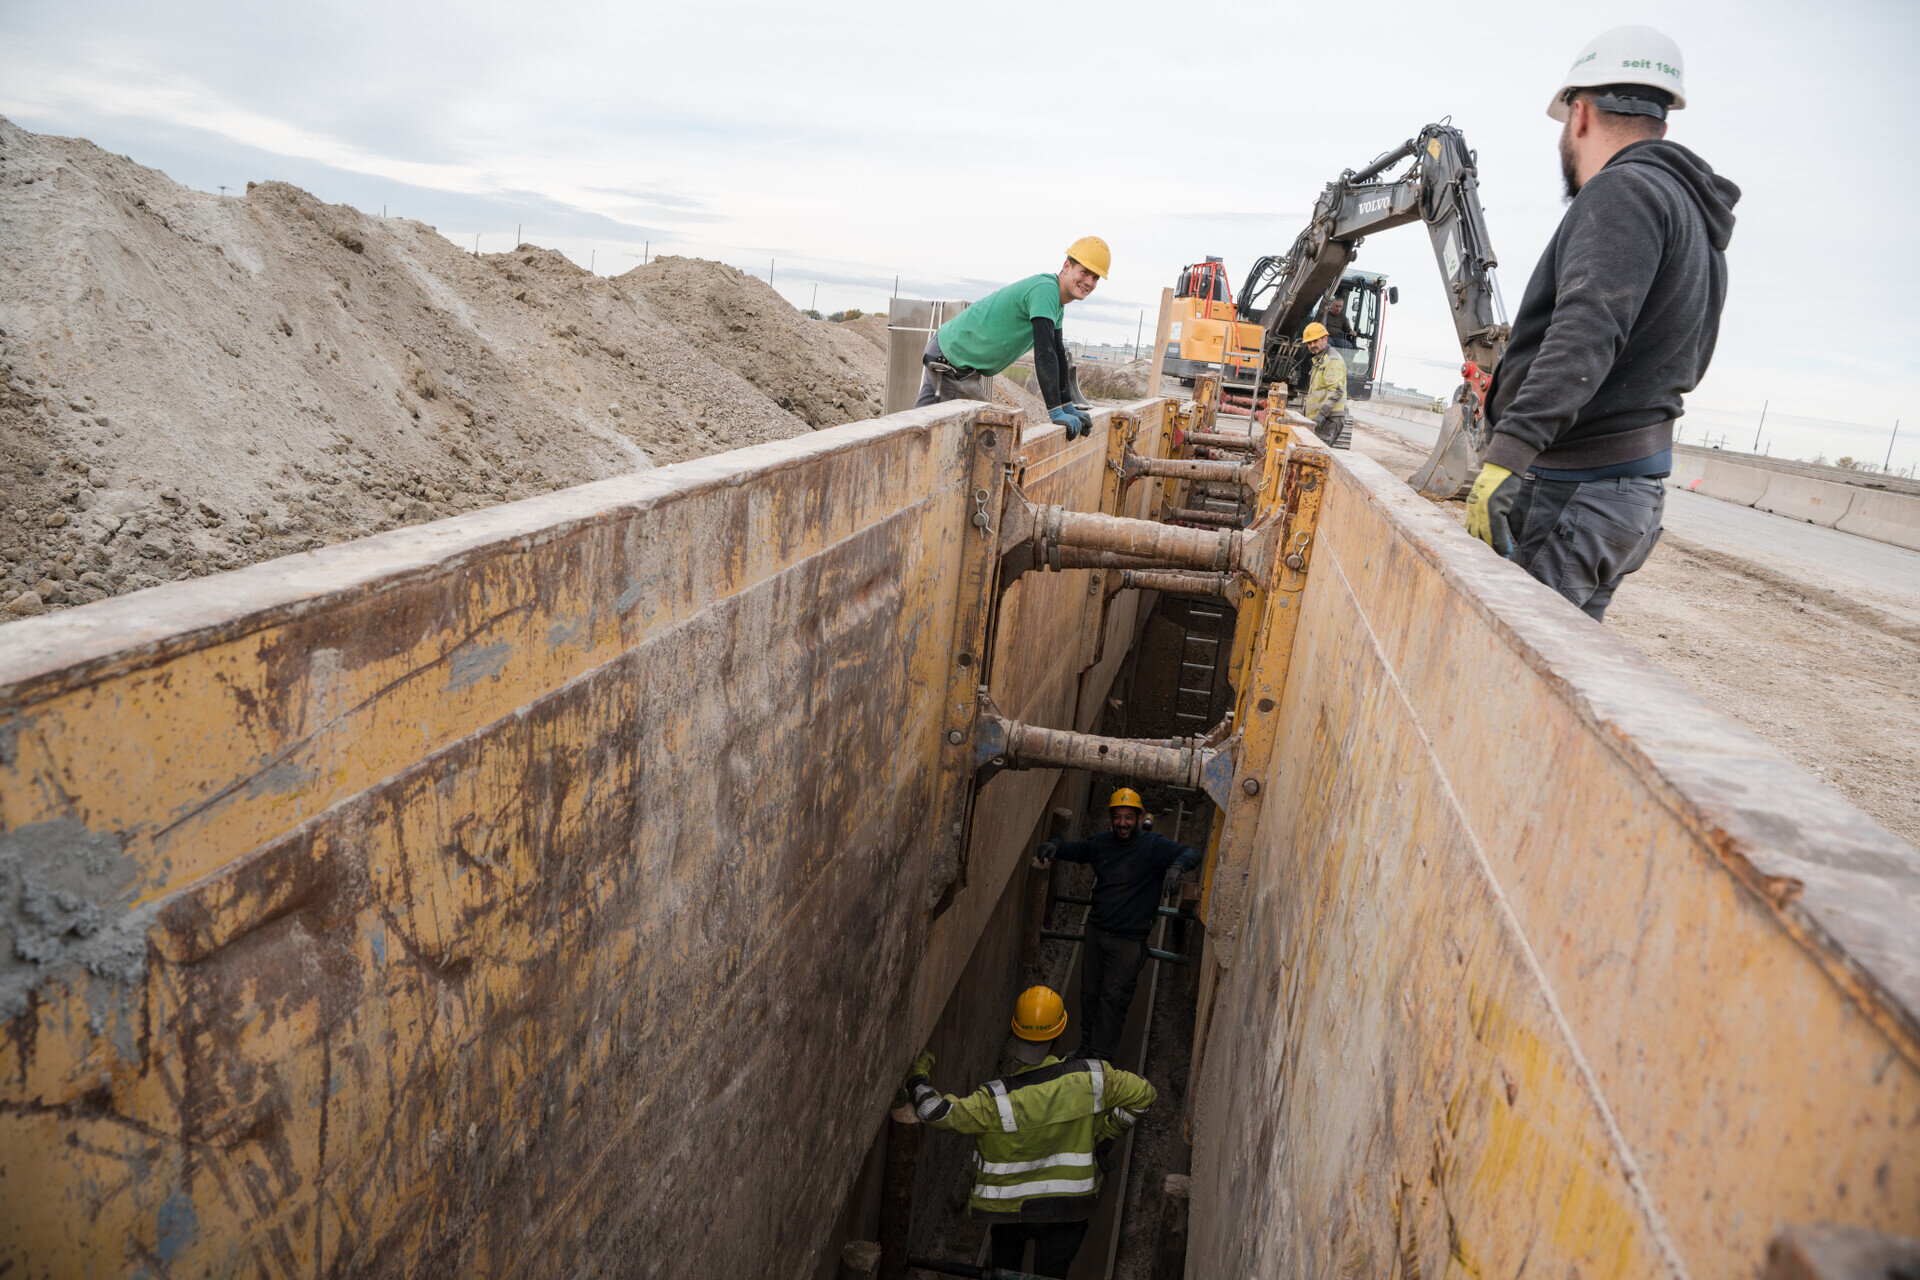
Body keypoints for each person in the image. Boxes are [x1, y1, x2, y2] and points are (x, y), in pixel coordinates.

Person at [1466, 26, 1738, 622]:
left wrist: (1505, 456)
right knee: (1557, 680)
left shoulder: (1621, 193)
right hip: (1624, 496)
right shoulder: (1692, 216)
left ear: (1580, 114)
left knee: (1513, 672)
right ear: (1662, 124)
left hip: (1574, 491)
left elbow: (1584, 335)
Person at [904, 987, 1156, 1279]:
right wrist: (1106, 1133)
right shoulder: (1093, 1078)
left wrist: (918, 1075)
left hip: (1009, 1211)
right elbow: (1145, 1095)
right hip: (1071, 1207)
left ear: (1015, 1033)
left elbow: (934, 1113)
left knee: (1005, 1270)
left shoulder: (994, 1100)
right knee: (1051, 1274)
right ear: (1059, 1034)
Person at [1038, 789, 1201, 1062]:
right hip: (1096, 933)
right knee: (1090, 995)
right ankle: (1086, 1049)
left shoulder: (1153, 846)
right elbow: (1079, 850)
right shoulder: (1102, 843)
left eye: (1128, 817)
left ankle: (1100, 1060)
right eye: (1118, 817)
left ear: (1138, 818)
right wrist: (1055, 845)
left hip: (1128, 943)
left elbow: (1190, 851)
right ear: (1111, 819)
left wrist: (1176, 868)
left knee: (1113, 1001)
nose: (1123, 823)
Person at [916, 238, 1109, 440]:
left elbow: (1059, 354)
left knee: (918, 429)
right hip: (952, 363)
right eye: (1085, 272)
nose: (1089, 281)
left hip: (947, 351)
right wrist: (1056, 412)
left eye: (1095, 277)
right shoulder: (1045, 290)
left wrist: (1067, 405)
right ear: (1067, 266)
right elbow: (1045, 354)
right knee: (990, 438)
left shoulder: (1057, 304)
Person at [1299, 321, 1350, 449]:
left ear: (1325, 339)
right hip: (1324, 416)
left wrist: (1321, 414)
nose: (1312, 345)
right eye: (1309, 343)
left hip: (1329, 418)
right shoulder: (1320, 359)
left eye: (1315, 341)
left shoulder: (1332, 360)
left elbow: (1335, 391)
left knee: (1317, 453)